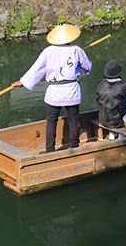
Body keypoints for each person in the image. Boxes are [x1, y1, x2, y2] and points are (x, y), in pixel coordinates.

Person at [16, 23, 92, 152]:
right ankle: (74, 145)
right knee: (73, 119)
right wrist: (81, 64)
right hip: (71, 90)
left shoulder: (48, 51)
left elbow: (37, 69)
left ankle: (49, 149)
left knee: (51, 121)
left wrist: (23, 81)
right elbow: (87, 66)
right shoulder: (76, 50)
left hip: (55, 91)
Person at [95, 59, 126, 138]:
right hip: (118, 121)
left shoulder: (100, 85)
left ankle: (112, 134)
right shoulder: (123, 87)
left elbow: (97, 100)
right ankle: (121, 135)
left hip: (103, 119)